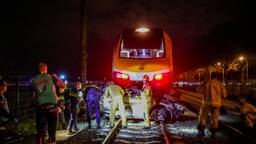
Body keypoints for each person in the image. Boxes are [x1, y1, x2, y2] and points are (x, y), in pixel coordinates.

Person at [32, 63, 65, 144]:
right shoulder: (52, 76)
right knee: (52, 130)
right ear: (46, 69)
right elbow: (62, 86)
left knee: (40, 131)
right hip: (52, 107)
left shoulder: (33, 80)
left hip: (40, 107)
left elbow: (33, 95)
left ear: (38, 70)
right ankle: (51, 141)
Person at [197, 72, 227, 138]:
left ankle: (201, 132)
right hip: (216, 105)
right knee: (215, 119)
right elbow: (224, 95)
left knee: (203, 117)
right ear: (216, 77)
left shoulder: (206, 83)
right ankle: (213, 133)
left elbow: (198, 90)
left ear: (210, 76)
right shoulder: (220, 84)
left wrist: (202, 84)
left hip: (206, 104)